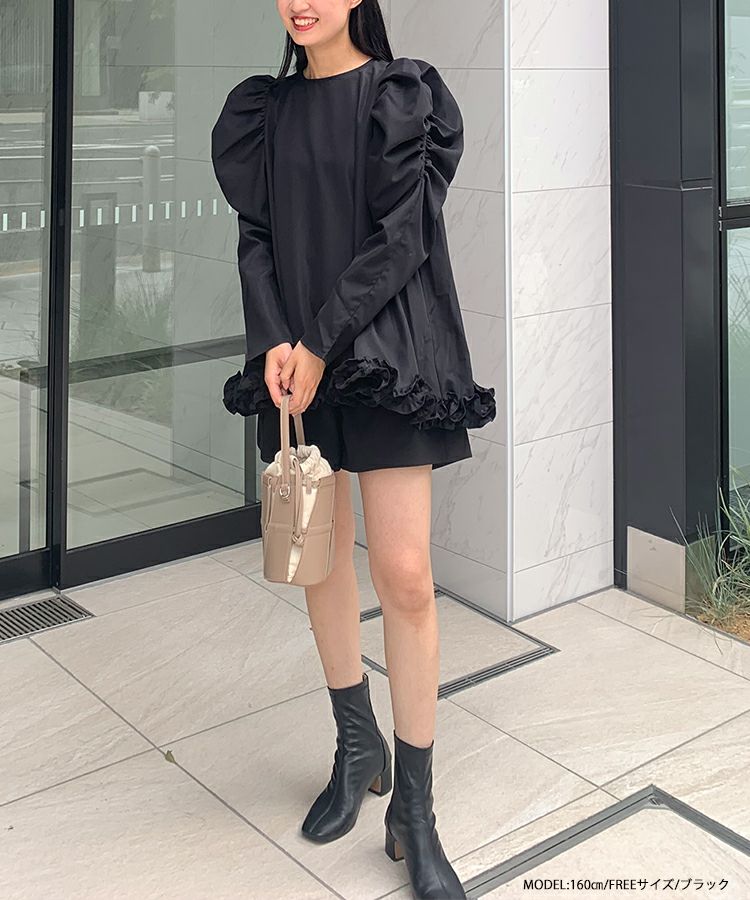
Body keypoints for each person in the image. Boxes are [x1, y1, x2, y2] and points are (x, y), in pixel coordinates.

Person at [211, 2, 496, 897]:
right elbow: (257, 238)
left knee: (405, 576)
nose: (301, 2)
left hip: (386, 355)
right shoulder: (263, 109)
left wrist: (320, 342)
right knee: (321, 560)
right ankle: (356, 743)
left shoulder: (400, 95)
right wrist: (276, 340)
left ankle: (415, 809)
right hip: (296, 361)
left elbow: (403, 236)